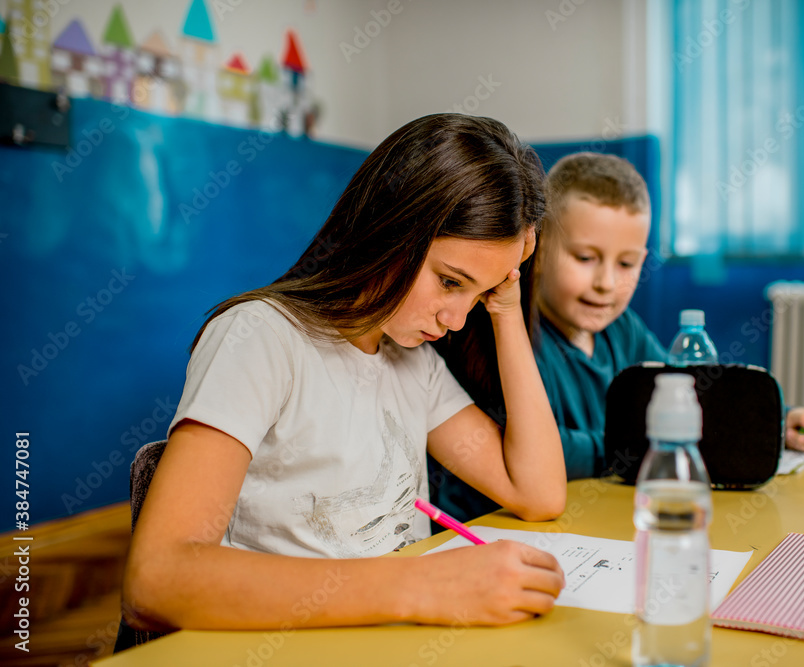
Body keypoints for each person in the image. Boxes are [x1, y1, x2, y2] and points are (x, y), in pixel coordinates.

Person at [121, 114, 567, 634]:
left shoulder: (413, 362)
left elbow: (536, 492)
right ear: (390, 228)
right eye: (449, 282)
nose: (456, 320)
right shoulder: (260, 339)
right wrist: (424, 587)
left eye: (480, 293)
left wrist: (507, 309)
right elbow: (157, 580)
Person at [432, 152, 804, 521]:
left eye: (626, 264)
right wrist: (637, 444)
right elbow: (545, 455)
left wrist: (777, 423)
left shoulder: (623, 330)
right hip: (497, 531)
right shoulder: (505, 336)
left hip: (596, 518)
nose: (606, 283)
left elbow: (693, 396)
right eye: (585, 258)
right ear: (538, 247)